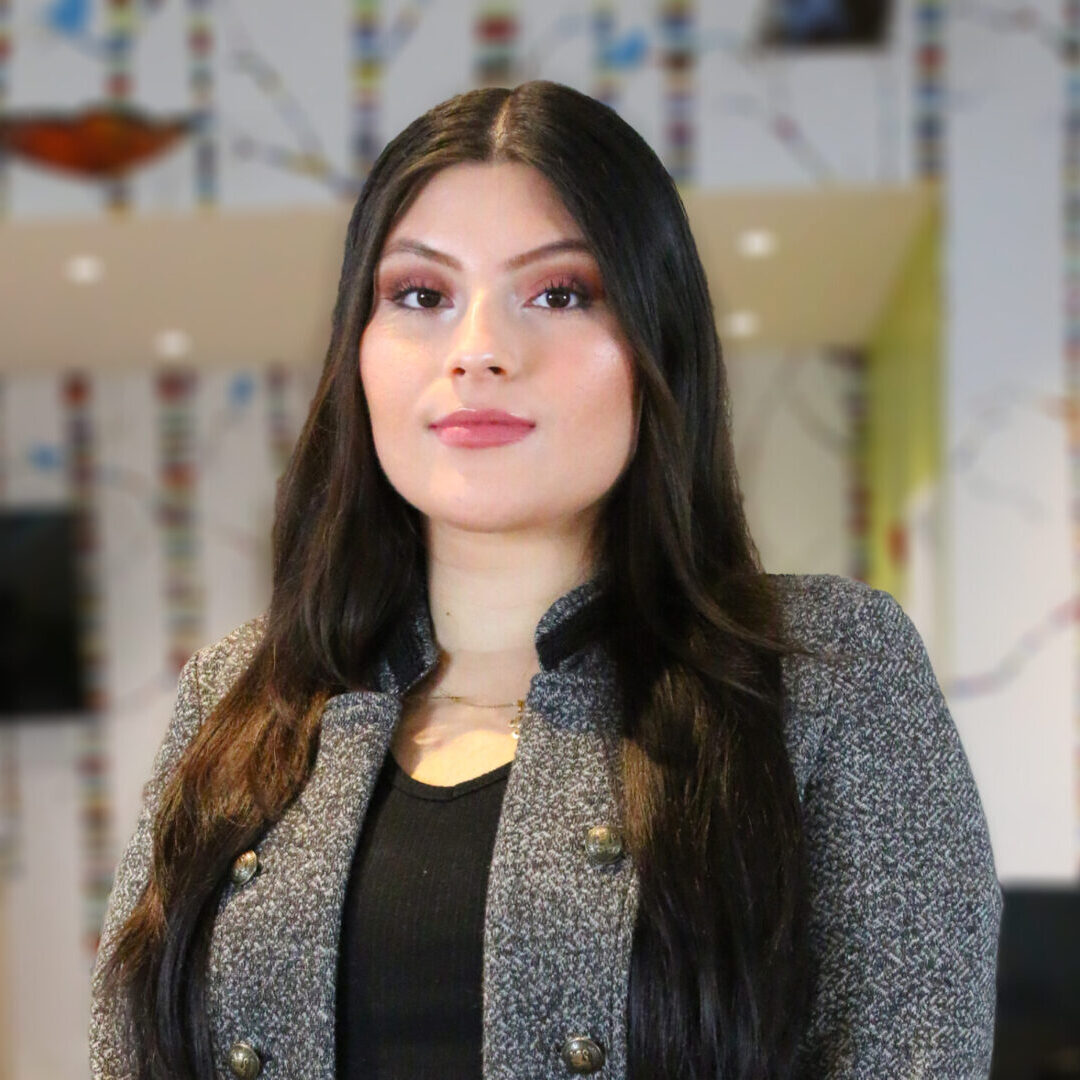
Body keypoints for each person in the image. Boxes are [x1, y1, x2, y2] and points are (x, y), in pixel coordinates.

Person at [89, 80, 1001, 1080]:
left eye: (560, 292)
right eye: (420, 296)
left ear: (658, 341)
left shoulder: (827, 671)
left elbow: (915, 1050)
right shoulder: (242, 693)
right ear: (359, 351)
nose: (478, 350)